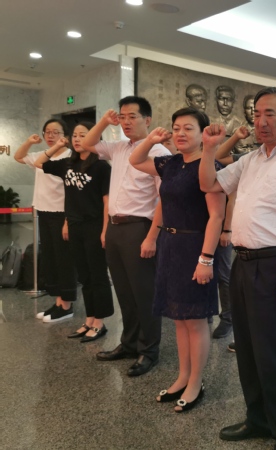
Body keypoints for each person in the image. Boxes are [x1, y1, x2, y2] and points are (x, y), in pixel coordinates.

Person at [199, 87, 276, 449]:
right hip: (242, 263)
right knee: (248, 350)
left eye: (270, 113)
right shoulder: (250, 160)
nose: (261, 121)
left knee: (272, 354)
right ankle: (258, 419)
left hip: (274, 264)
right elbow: (209, 184)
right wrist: (208, 149)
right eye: (256, 114)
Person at [129, 107, 225, 412]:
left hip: (195, 245)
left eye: (188, 128)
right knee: (180, 320)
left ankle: (196, 382)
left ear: (203, 134)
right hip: (170, 245)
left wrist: (206, 259)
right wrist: (151, 139)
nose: (180, 133)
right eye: (176, 128)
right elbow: (135, 161)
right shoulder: (170, 163)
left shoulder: (209, 166)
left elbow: (216, 216)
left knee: (195, 320)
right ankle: (183, 376)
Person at [82, 96, 170, 377]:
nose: (126, 122)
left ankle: (149, 350)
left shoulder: (159, 152)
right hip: (116, 227)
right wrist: (104, 121)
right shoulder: (119, 147)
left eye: (132, 116)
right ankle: (129, 343)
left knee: (144, 293)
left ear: (147, 120)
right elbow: (88, 144)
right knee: (124, 292)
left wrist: (152, 237)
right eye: (122, 117)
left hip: (139, 228)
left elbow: (164, 199)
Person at [35, 122, 113, 342]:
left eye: (83, 135)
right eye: (75, 135)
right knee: (85, 277)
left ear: (94, 138)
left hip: (94, 226)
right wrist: (58, 145)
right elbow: (40, 163)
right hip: (75, 227)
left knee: (98, 276)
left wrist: (105, 230)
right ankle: (89, 319)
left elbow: (107, 202)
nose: (77, 139)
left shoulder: (101, 166)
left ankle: (100, 323)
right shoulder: (68, 164)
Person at [14, 119, 78, 323]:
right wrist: (29, 142)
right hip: (44, 211)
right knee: (51, 258)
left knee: (64, 259)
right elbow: (18, 156)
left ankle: (67, 305)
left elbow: (73, 192)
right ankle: (58, 302)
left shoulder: (70, 158)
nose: (50, 136)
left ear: (64, 136)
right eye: (47, 132)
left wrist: (68, 220)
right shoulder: (42, 155)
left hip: (62, 213)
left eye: (55, 132)